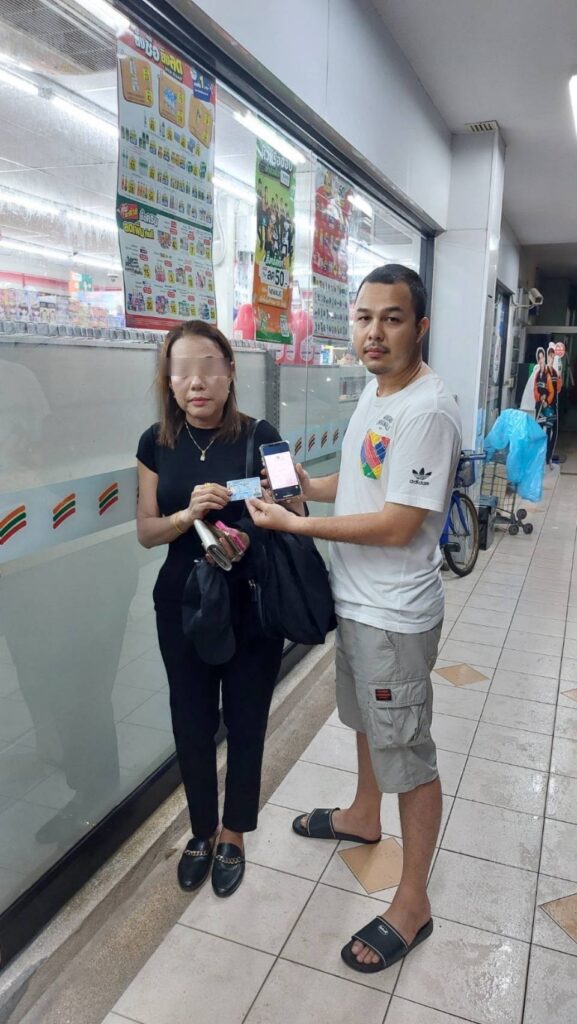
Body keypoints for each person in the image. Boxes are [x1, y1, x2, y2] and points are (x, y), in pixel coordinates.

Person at [247, 264, 462, 972]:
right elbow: (370, 479)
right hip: (357, 601)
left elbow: (398, 524)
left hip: (393, 615)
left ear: (419, 327)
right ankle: (364, 816)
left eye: (391, 319)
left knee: (408, 751)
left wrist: (296, 525)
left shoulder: (427, 410)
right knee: (368, 723)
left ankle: (412, 901)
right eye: (364, 317)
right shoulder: (378, 390)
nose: (373, 332)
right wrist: (309, 488)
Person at [136, 321, 285, 898]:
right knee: (191, 719)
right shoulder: (154, 443)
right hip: (182, 603)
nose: (195, 382)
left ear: (229, 373)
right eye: (181, 371)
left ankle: (234, 832)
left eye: (207, 367)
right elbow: (147, 532)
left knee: (246, 719)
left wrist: (254, 518)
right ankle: (201, 829)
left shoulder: (262, 434)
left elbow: (293, 505)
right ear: (169, 381)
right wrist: (187, 515)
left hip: (250, 601)